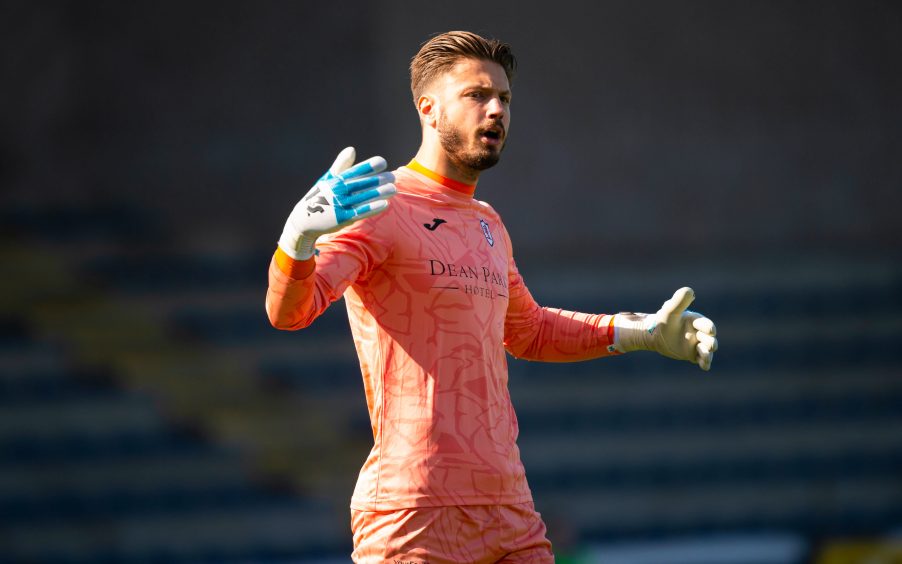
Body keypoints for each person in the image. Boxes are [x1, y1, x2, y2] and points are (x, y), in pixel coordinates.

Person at [266, 30, 718, 564]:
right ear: (429, 109)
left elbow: (528, 331)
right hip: (415, 513)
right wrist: (295, 243)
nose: (496, 109)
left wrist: (638, 332)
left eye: (504, 98)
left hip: (509, 509)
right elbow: (289, 311)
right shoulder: (378, 207)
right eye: (477, 95)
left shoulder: (488, 224)